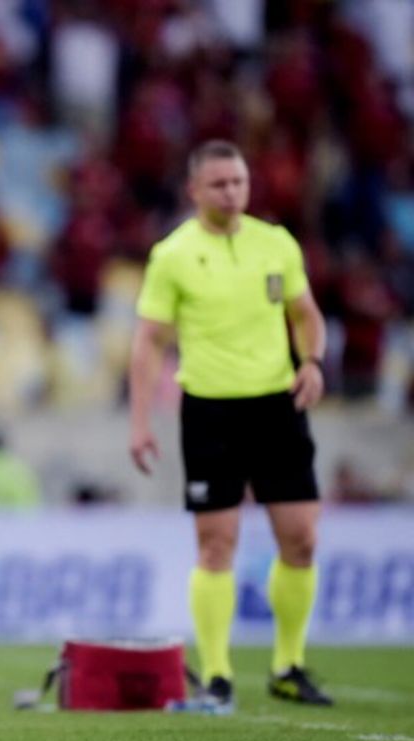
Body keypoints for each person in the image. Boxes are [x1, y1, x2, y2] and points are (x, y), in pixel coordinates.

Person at [129, 140, 332, 708]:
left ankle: (288, 663)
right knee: (216, 545)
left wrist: (312, 361)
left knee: (302, 538)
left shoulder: (277, 243)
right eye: (219, 184)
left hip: (277, 405)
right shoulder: (172, 254)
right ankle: (217, 673)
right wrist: (141, 421)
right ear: (194, 190)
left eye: (239, 182)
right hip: (210, 409)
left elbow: (306, 315)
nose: (232, 193)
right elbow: (148, 343)